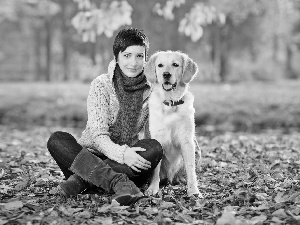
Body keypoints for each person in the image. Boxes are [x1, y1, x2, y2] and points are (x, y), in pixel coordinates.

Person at [47, 27, 163, 206]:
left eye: (139, 56)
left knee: (154, 147)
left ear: (145, 58)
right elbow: (98, 135)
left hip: (124, 164)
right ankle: (119, 183)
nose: (133, 62)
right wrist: (122, 154)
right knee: (57, 140)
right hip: (90, 157)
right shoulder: (101, 85)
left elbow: (162, 127)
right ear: (116, 56)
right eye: (127, 55)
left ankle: (81, 182)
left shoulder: (152, 90)